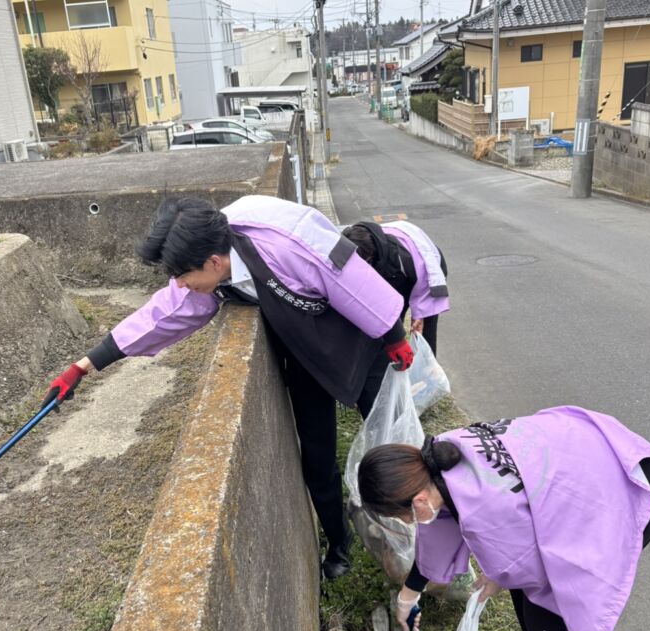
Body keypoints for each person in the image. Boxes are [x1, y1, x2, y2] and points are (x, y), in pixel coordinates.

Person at [42, 193, 414, 579]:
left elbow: (351, 278)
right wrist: (84, 366)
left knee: (387, 429)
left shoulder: (286, 244)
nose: (181, 285)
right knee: (317, 456)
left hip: (359, 328)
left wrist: (393, 336)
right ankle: (339, 545)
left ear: (213, 262)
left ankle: (412, 515)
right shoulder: (210, 266)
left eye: (184, 277)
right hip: (304, 346)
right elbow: (162, 315)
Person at [357, 406, 650, 631]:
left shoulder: (487, 509)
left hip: (630, 485)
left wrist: (500, 576)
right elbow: (441, 529)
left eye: (402, 517)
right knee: (526, 593)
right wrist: (408, 594)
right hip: (588, 455)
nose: (407, 523)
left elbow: (537, 571)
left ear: (418, 501)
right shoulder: (440, 457)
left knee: (557, 607)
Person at [341, 219, 449, 418]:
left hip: (428, 271)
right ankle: (384, 390)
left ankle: (425, 389)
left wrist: (420, 314)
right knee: (384, 335)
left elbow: (391, 313)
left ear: (369, 257)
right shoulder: (353, 246)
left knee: (423, 335)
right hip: (400, 270)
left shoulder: (399, 261)